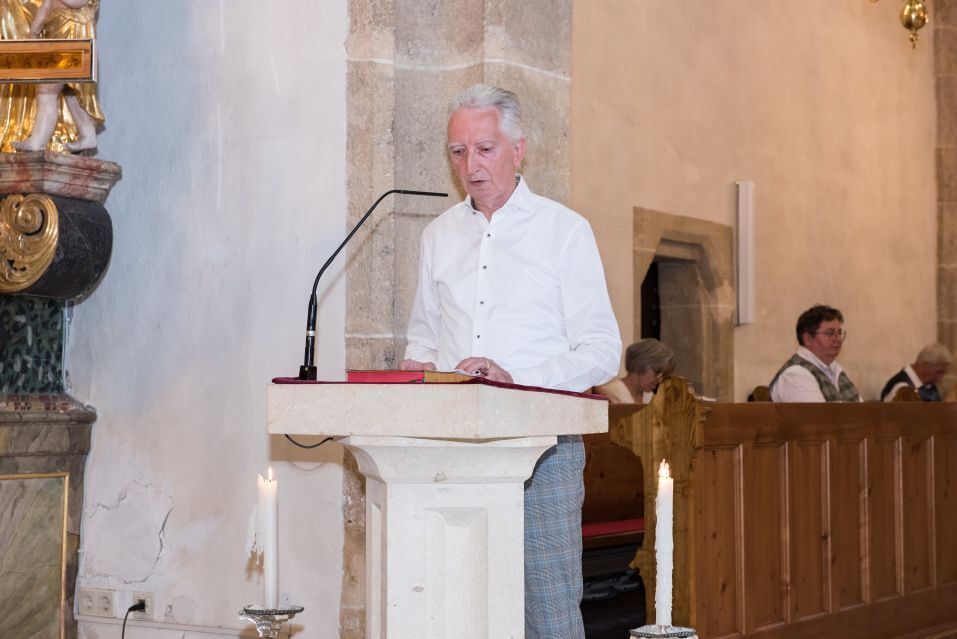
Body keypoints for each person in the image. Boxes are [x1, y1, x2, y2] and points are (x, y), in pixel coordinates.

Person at [399, 84, 621, 638]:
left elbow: (602, 351)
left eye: (485, 149)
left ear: (518, 150)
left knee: (548, 614)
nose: (469, 165)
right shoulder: (438, 235)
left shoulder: (564, 231)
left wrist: (516, 380)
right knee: (457, 610)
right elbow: (422, 342)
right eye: (458, 152)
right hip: (453, 449)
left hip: (543, 450)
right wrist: (424, 378)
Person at [11, 0, 103, 153]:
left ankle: (37, 141)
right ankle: (87, 133)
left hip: (73, 35)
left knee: (46, 90)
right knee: (70, 91)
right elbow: (46, 5)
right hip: (57, 35)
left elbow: (77, 2)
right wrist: (33, 32)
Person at [769, 304, 861, 402]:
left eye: (839, 333)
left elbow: (863, 409)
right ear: (808, 339)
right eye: (830, 333)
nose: (839, 339)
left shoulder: (835, 369)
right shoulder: (796, 374)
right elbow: (818, 412)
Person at [596, 338, 674, 404]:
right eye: (657, 371)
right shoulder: (611, 393)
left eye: (662, 374)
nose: (659, 380)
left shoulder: (649, 396)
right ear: (640, 364)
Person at [880, 343, 953, 402]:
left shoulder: (929, 387)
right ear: (925, 365)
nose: (940, 379)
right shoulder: (901, 388)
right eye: (939, 373)